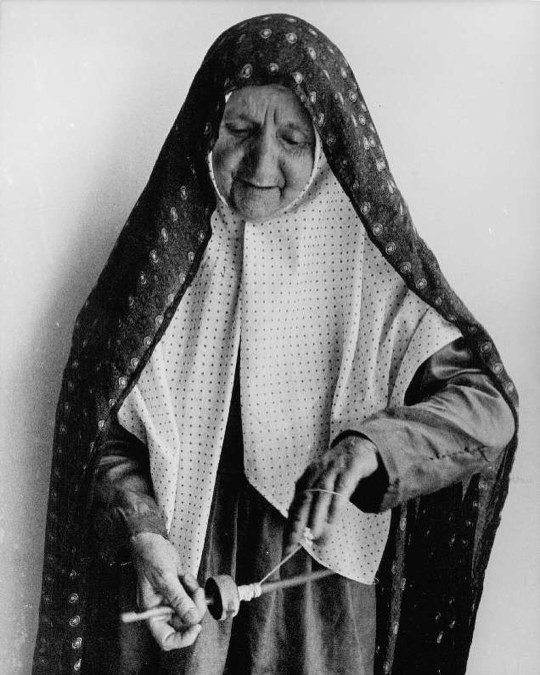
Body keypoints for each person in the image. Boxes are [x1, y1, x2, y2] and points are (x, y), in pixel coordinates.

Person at [33, 14, 518, 675]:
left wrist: (371, 446)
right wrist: (143, 530)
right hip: (178, 590)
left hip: (318, 599)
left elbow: (487, 409)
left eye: (293, 138)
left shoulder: (373, 274)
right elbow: (102, 431)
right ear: (206, 128)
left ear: (330, 145)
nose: (262, 163)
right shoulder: (162, 260)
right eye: (239, 130)